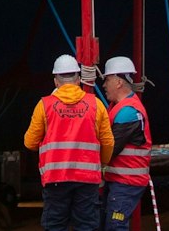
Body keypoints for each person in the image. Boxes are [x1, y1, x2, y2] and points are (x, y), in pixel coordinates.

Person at [23, 55, 113, 231]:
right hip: (87, 180)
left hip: (56, 179)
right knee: (86, 226)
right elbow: (108, 142)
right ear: (79, 79)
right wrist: (102, 164)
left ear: (56, 81)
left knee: (55, 225)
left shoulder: (44, 105)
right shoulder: (96, 105)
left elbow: (29, 143)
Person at [98, 57, 151, 230]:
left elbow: (110, 148)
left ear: (118, 82)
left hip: (126, 182)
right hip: (118, 180)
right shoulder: (117, 107)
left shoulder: (128, 112)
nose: (104, 85)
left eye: (107, 80)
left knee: (115, 226)